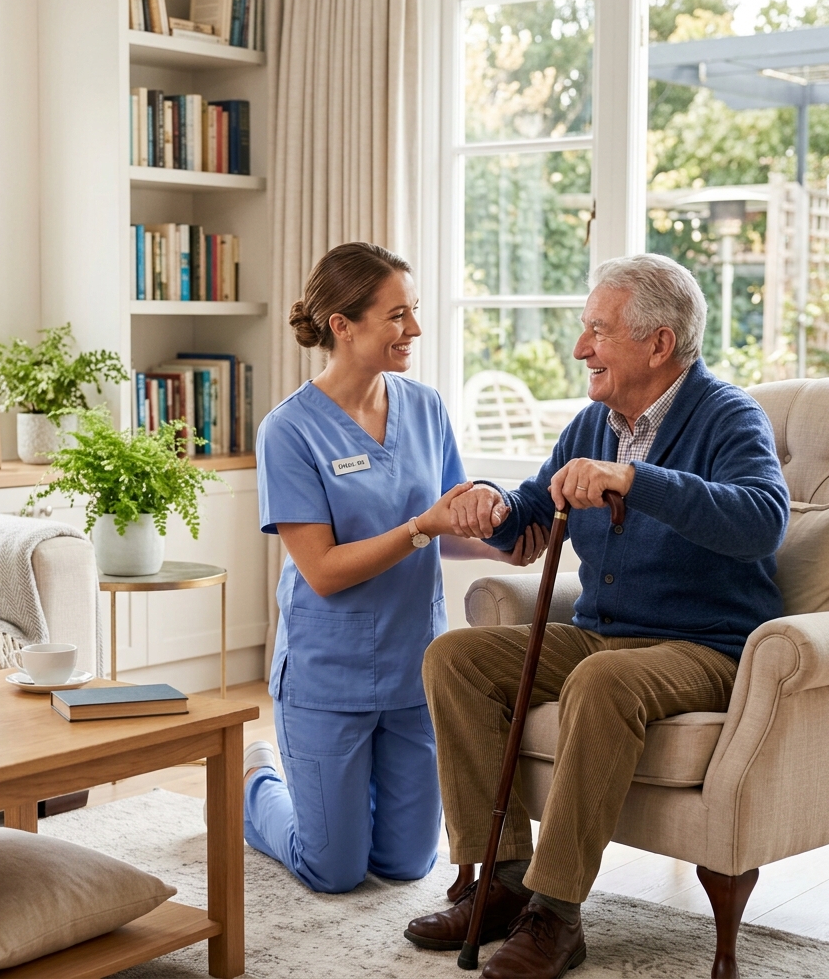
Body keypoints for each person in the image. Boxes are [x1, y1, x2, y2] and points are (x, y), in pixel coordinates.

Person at [404, 253, 790, 979]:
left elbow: (762, 521)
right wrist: (490, 503)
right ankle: (500, 881)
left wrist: (634, 480)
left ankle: (556, 913)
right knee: (454, 657)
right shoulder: (591, 425)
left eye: (599, 330)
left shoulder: (728, 415)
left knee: (603, 681)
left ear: (659, 343)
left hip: (705, 647)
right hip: (602, 634)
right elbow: (529, 515)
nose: (581, 347)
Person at [247, 241, 549, 895]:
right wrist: (422, 528)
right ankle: (257, 784)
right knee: (333, 870)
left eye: (413, 310)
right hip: (328, 675)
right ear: (342, 325)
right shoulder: (288, 432)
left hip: (414, 666)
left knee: (406, 863)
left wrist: (499, 544)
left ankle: (336, 806)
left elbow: (447, 524)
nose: (414, 328)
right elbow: (323, 570)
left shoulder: (426, 407)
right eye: (396, 315)